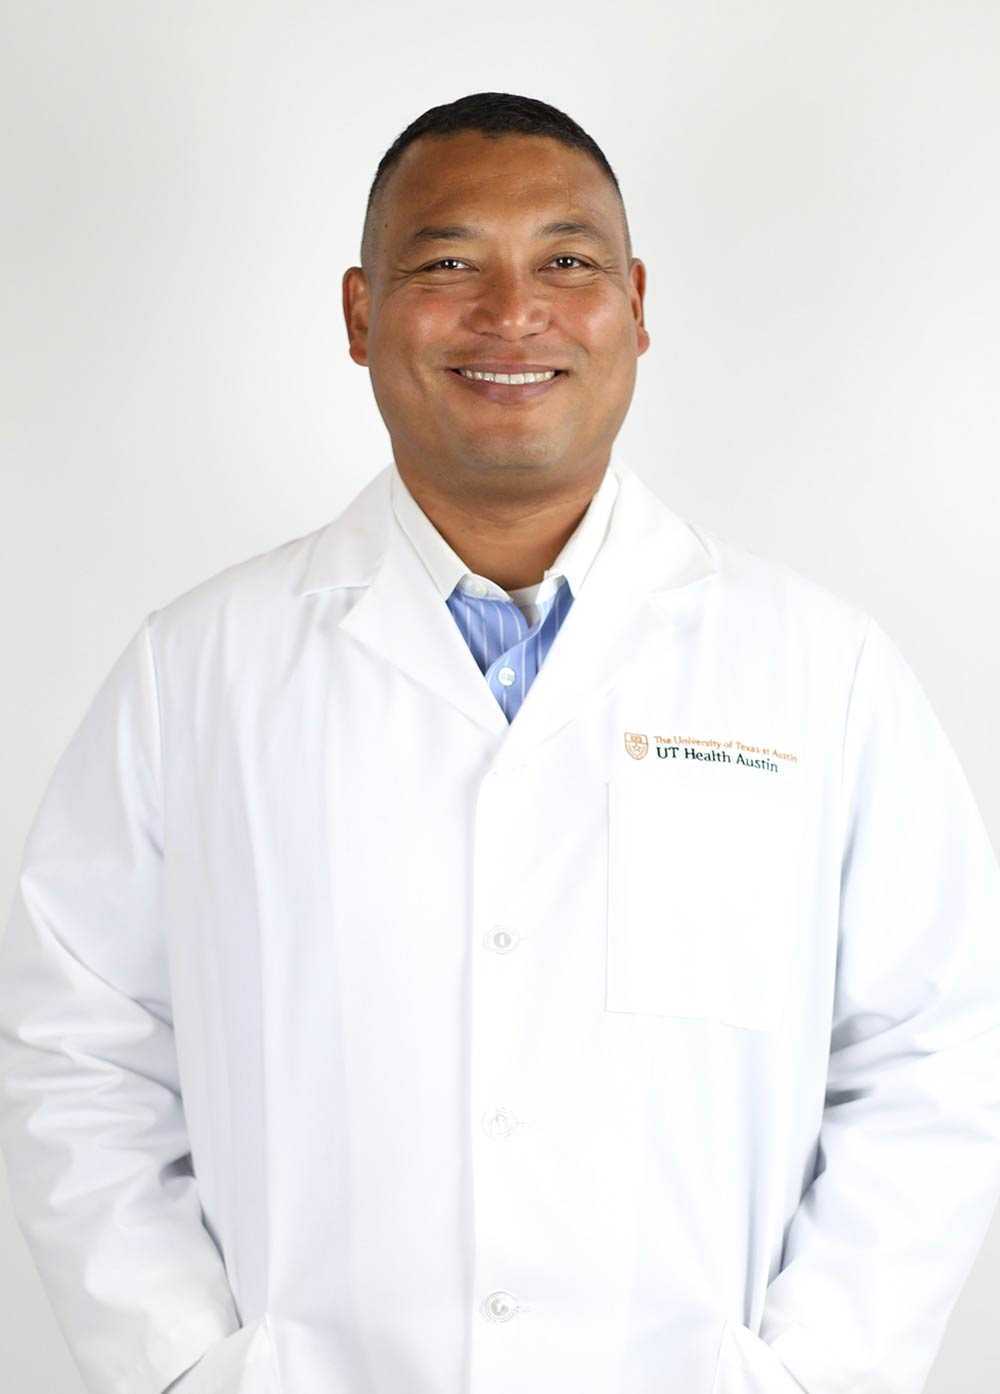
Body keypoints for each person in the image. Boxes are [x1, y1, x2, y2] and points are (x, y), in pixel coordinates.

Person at [1, 90, 999, 1394]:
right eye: (449, 262)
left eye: (567, 262)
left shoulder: (822, 673)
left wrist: (813, 1374)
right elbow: (77, 1039)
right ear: (360, 316)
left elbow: (934, 1052)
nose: (512, 312)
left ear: (636, 304)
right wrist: (188, 1370)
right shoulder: (195, 671)